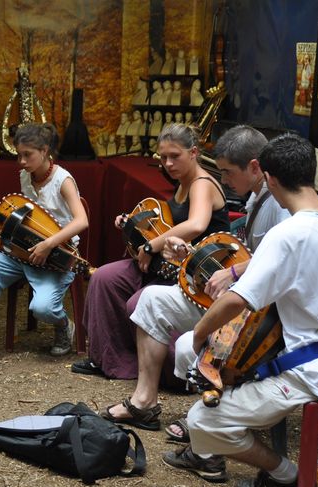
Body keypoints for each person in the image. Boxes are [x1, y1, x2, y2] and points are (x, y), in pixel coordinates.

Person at [163, 133, 318, 487]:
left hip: (311, 374)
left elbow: (236, 300)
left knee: (202, 422)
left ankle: (287, 476)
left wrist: (196, 337)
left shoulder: (287, 234)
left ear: (270, 178)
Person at [95, 125, 289, 435]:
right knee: (150, 300)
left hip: (252, 311)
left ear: (254, 167)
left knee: (185, 340)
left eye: (226, 173)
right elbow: (237, 251)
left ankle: (205, 418)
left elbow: (280, 263)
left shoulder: (279, 206)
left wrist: (236, 272)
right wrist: (191, 254)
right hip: (225, 294)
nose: (222, 181)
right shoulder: (256, 200)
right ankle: (144, 402)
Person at [76, 123, 229, 381]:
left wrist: (150, 246)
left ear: (193, 153)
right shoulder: (181, 182)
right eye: (163, 157)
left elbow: (196, 225)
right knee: (104, 278)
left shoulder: (201, 183)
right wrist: (133, 226)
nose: (168, 163)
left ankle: (166, 373)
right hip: (164, 264)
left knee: (140, 300)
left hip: (193, 276)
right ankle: (110, 360)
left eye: (175, 156)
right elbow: (166, 226)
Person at [0, 122, 88, 366]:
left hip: (57, 255)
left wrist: (48, 244)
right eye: (19, 155)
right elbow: (28, 216)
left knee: (44, 308)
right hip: (22, 252)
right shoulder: (25, 175)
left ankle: (64, 325)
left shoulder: (63, 180)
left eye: (28, 155)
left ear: (45, 151)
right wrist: (0, 213)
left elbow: (82, 220)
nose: (22, 161)